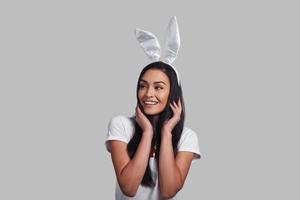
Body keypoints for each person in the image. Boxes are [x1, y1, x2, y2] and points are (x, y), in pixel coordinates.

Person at [105, 17, 201, 200]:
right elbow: (129, 187)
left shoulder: (187, 137)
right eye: (143, 86)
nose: (148, 94)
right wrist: (148, 132)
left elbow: (167, 191)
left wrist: (166, 133)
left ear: (172, 93)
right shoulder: (121, 125)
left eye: (158, 87)